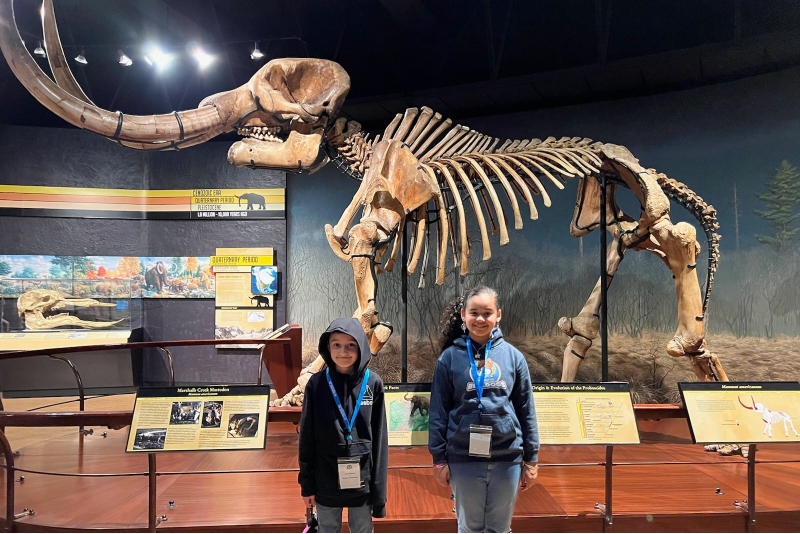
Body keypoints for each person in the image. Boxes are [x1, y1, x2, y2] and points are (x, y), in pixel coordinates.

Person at [428, 286, 540, 533]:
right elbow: (438, 412)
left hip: (507, 457)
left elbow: (526, 410)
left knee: (500, 528)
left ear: (498, 315)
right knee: (469, 527)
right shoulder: (448, 358)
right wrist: (438, 459)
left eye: (487, 313)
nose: (480, 319)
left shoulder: (513, 357)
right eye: (474, 312)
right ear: (463, 314)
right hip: (463, 458)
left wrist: (531, 459)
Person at [299, 318, 389, 533]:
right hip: (326, 475)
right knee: (328, 528)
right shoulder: (317, 384)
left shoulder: (373, 383)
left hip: (362, 474)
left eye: (351, 345)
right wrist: (307, 485)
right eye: (336, 345)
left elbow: (380, 439)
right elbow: (306, 440)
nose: (343, 352)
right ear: (327, 347)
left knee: (362, 528)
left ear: (361, 346)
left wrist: (379, 491)